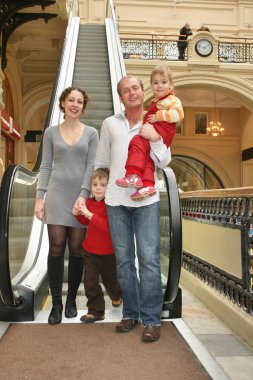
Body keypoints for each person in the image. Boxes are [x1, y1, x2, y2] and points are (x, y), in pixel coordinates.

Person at [95, 75, 172, 342]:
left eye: (136, 88)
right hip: (116, 201)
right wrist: (94, 192)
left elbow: (164, 161)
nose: (132, 93)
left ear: (143, 91)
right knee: (125, 262)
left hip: (146, 202)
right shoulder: (109, 124)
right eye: (126, 90)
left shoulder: (157, 118)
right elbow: (102, 161)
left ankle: (151, 319)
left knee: (149, 261)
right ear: (120, 96)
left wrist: (155, 139)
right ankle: (131, 312)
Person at [34, 86, 99, 325]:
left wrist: (84, 195)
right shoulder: (51, 133)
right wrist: (40, 198)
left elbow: (91, 167)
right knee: (57, 246)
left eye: (79, 101)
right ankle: (56, 304)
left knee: (77, 248)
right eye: (70, 100)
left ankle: (72, 300)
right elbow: (46, 166)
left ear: (83, 106)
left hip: (80, 197)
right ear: (62, 103)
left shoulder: (92, 133)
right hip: (57, 195)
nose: (74, 104)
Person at [116, 65, 184, 201]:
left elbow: (179, 114)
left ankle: (133, 175)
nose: (159, 86)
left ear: (171, 85)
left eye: (163, 82)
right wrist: (148, 115)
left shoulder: (171, 99)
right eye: (155, 83)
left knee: (136, 142)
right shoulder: (158, 101)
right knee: (146, 157)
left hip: (162, 132)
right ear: (151, 86)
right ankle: (147, 185)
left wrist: (159, 117)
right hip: (158, 130)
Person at [73, 168, 122, 323]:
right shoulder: (89, 203)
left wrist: (89, 214)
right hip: (90, 251)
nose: (98, 188)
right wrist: (78, 213)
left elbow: (108, 227)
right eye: (94, 184)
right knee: (90, 282)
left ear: (109, 187)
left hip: (109, 252)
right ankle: (96, 311)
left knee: (111, 281)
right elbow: (85, 222)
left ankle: (116, 295)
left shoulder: (112, 206)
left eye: (102, 184)